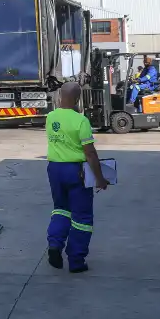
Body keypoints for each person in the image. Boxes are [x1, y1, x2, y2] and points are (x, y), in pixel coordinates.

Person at [45, 81, 110, 273]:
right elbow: (89, 153)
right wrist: (100, 178)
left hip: (54, 169)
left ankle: (55, 244)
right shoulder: (81, 121)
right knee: (81, 216)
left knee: (61, 209)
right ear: (78, 99)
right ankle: (76, 260)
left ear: (59, 97)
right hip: (76, 171)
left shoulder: (50, 117)